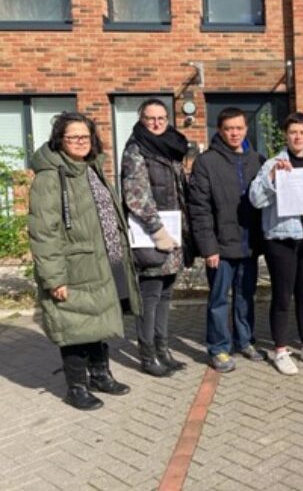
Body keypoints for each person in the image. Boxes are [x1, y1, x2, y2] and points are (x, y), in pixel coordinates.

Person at [29, 112, 140, 410]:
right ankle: (76, 386)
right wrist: (54, 278)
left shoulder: (91, 168)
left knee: (99, 320)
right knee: (75, 326)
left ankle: (100, 374)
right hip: (75, 267)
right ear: (59, 141)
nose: (80, 142)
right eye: (72, 137)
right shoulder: (50, 178)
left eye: (84, 136)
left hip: (104, 261)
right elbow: (43, 232)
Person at [249, 112, 303, 375]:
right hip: (281, 238)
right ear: (286, 134)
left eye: (302, 132)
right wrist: (272, 177)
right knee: (283, 296)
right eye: (293, 132)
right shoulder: (273, 163)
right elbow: (256, 200)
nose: (297, 137)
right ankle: (280, 350)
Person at [189, 107, 265, 373]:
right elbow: (199, 209)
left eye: (239, 128)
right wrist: (208, 247)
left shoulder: (257, 159)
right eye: (229, 128)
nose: (234, 133)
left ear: (246, 129)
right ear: (220, 131)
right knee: (219, 299)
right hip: (220, 247)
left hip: (249, 243)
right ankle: (219, 348)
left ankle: (245, 340)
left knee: (246, 296)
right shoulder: (206, 162)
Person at [122, 99, 191, 377]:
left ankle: (163, 349)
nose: (157, 123)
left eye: (161, 118)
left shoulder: (171, 145)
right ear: (141, 120)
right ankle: (147, 355)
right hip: (153, 235)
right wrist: (156, 228)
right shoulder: (136, 149)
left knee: (166, 294)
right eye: (151, 119)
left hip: (173, 233)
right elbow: (136, 195)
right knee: (150, 296)